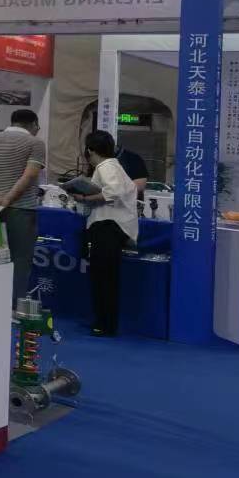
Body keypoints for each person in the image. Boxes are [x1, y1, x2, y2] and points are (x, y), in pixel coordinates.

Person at [0, 106, 46, 299]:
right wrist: (8, 198)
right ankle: (11, 306)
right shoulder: (35, 143)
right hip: (21, 210)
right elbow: (29, 175)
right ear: (33, 125)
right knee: (19, 260)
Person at [79, 130, 139, 336]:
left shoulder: (106, 167)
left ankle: (105, 324)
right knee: (106, 278)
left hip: (108, 227)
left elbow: (113, 192)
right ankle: (104, 321)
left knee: (103, 278)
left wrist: (85, 198)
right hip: (114, 226)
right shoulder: (114, 166)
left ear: (89, 150)